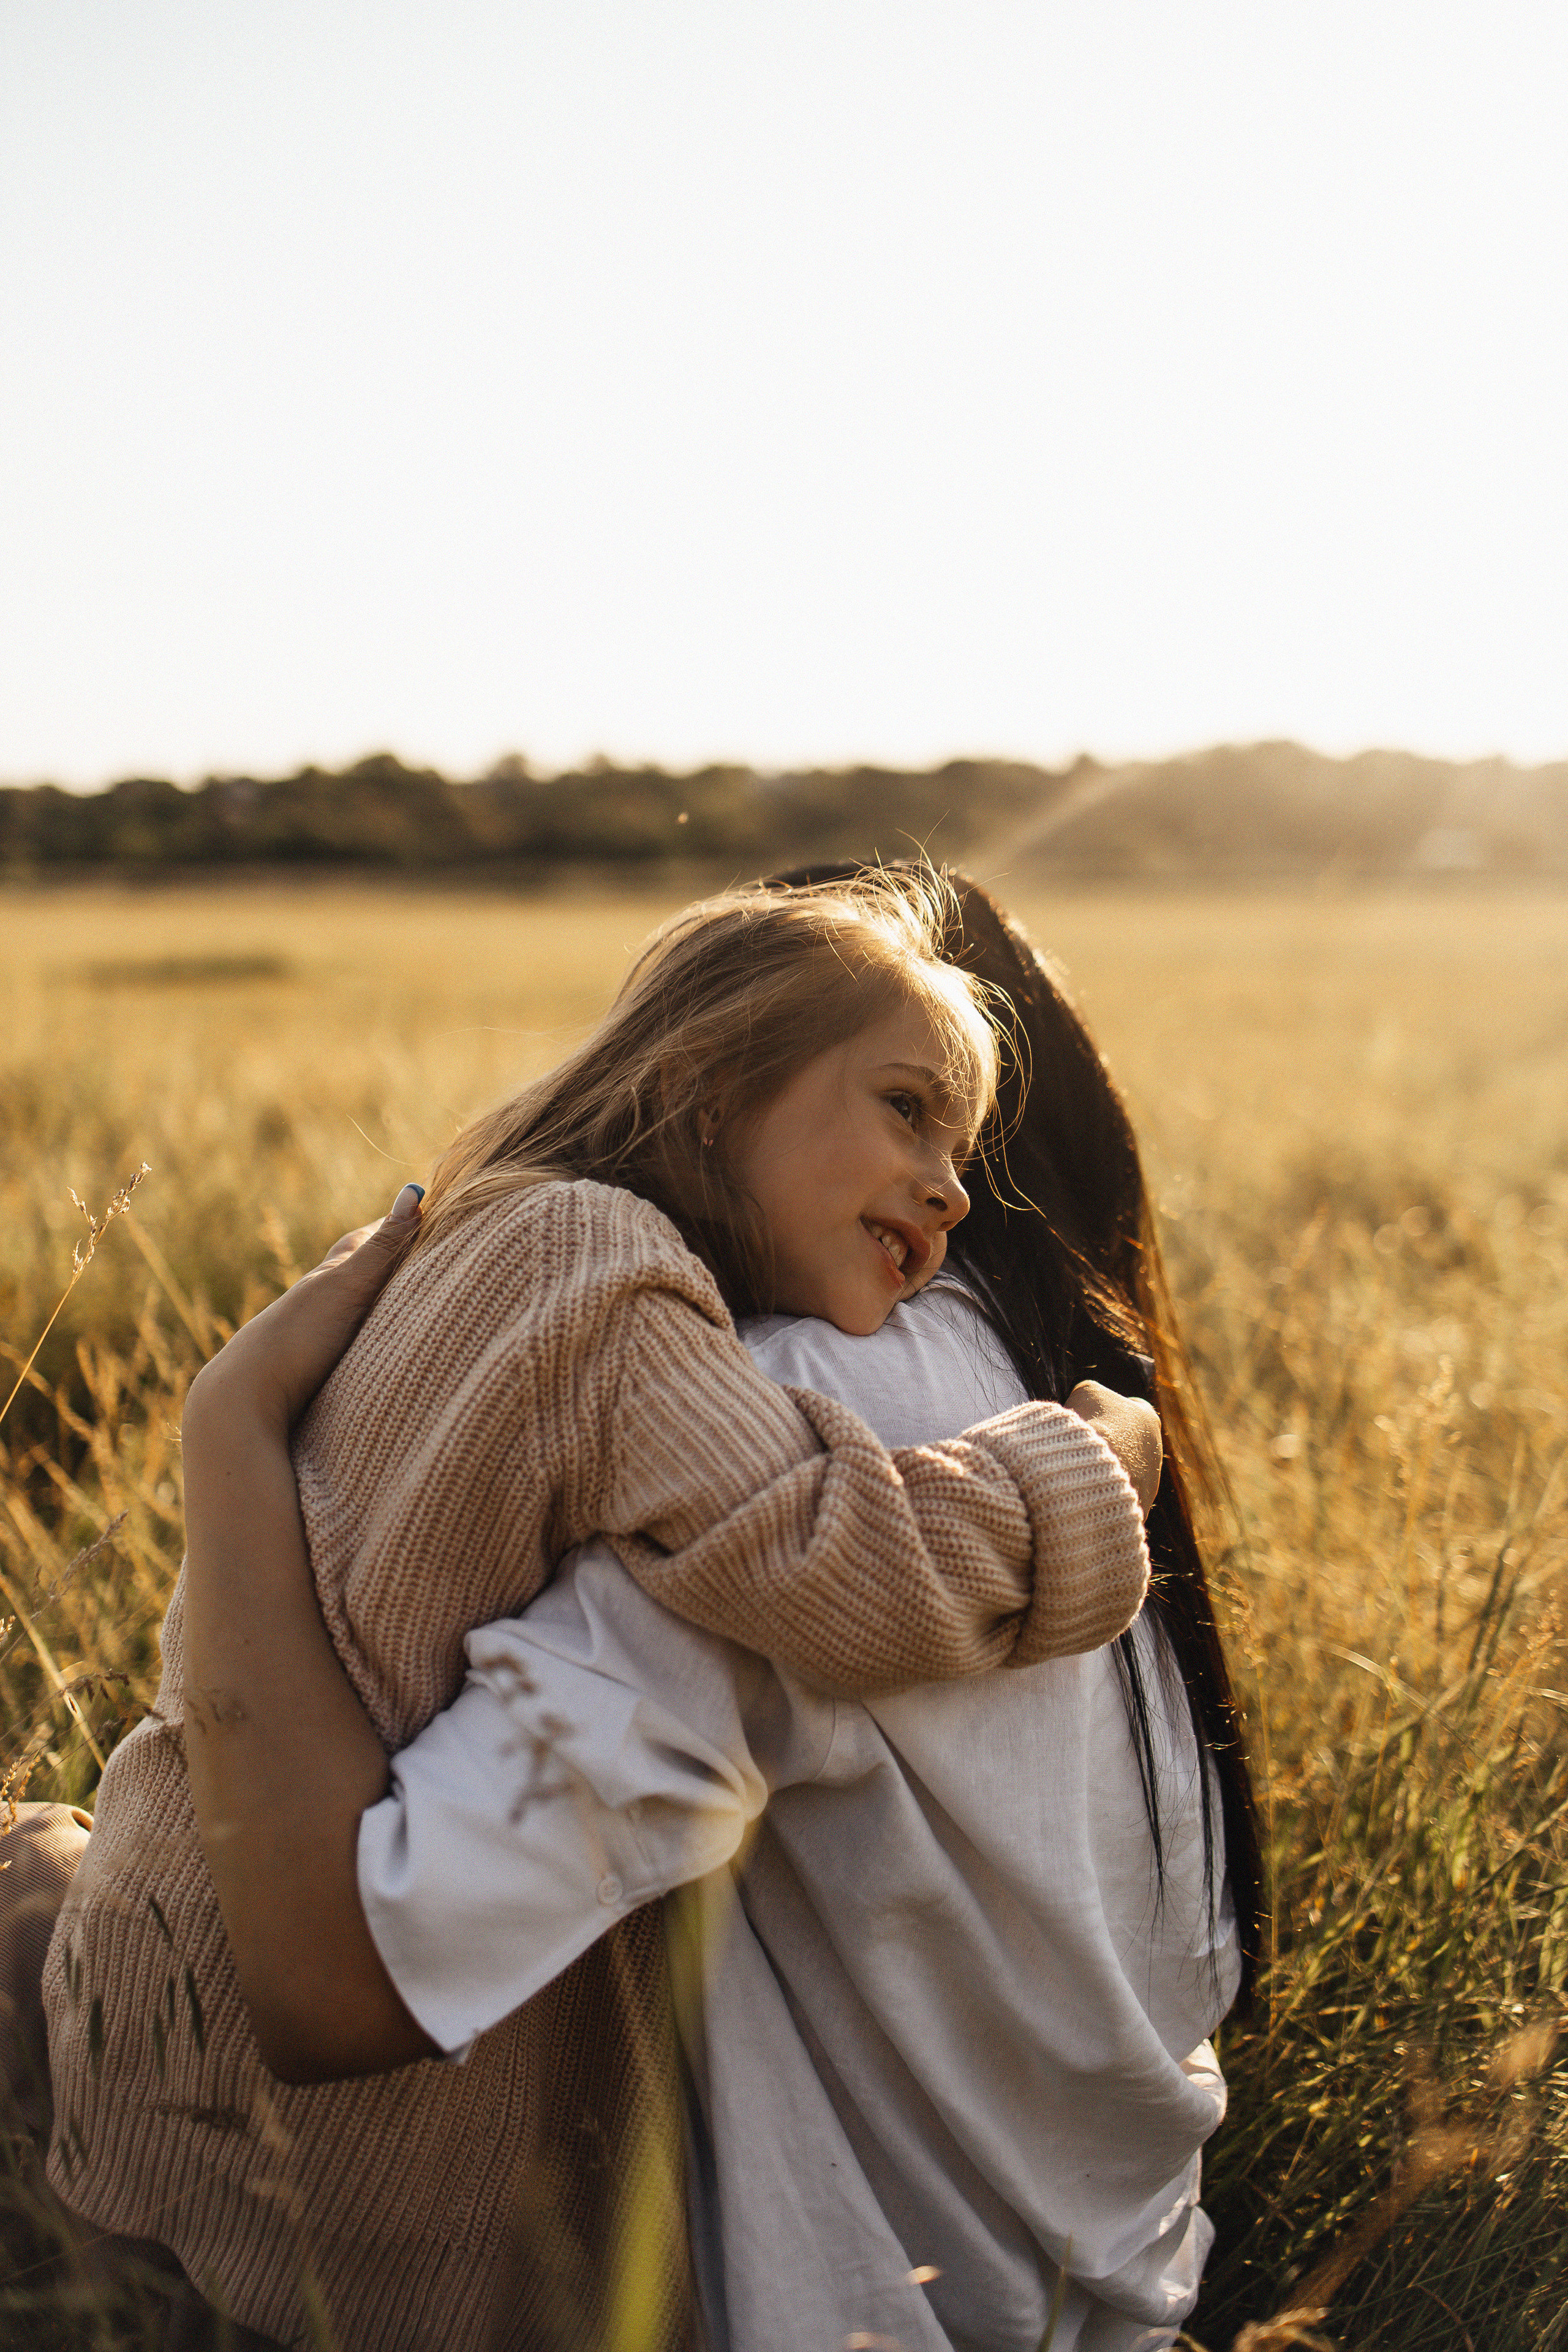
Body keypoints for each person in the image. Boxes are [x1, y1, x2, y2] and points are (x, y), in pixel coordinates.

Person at [40, 874, 1156, 2352]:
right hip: (317, 2080)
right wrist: (1085, 1467)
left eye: (960, 1149)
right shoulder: (603, 1277)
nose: (950, 1185)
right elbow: (841, 1563)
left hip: (172, 1951)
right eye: (905, 1111)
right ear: (707, 1085)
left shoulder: (495, 1240)